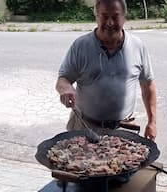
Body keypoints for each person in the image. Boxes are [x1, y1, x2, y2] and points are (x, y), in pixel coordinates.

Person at [56, 0, 156, 140]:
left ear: (124, 17)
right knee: (79, 162)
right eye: (104, 16)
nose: (110, 23)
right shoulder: (80, 46)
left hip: (124, 127)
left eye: (115, 17)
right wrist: (65, 89)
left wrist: (152, 121)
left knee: (125, 162)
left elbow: (148, 84)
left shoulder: (137, 46)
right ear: (96, 16)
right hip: (84, 126)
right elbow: (63, 79)